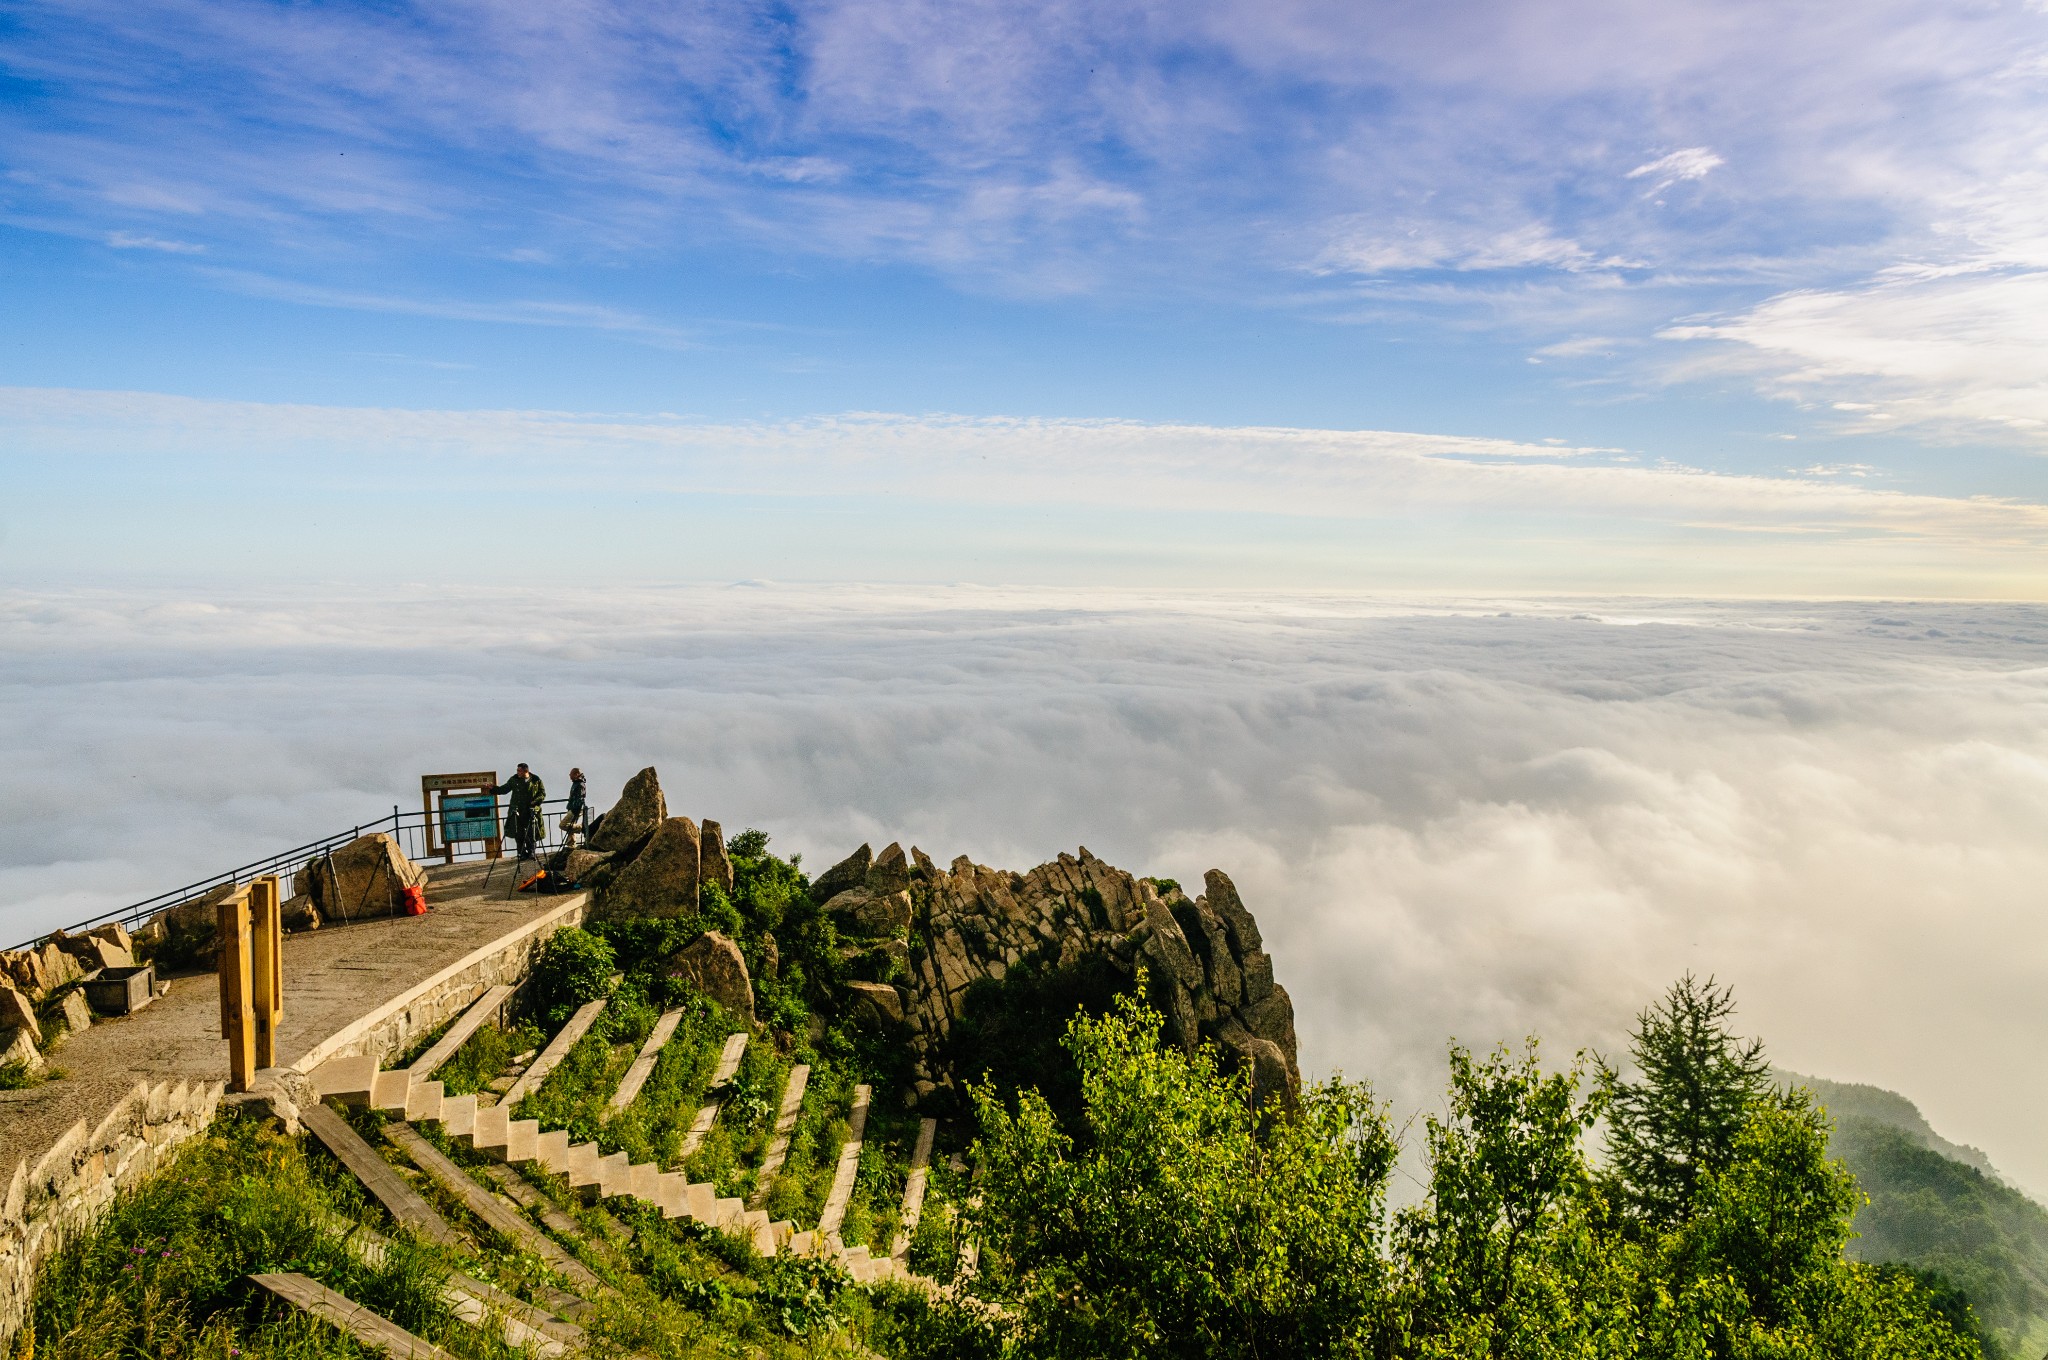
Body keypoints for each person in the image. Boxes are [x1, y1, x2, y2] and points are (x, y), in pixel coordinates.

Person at [492, 763, 546, 861]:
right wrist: (493, 789)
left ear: (526, 771)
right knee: (518, 833)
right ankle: (521, 853)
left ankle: (531, 852)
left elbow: (542, 794)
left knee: (531, 832)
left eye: (519, 771)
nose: (517, 773)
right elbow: (504, 789)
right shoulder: (514, 780)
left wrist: (534, 803)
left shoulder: (536, 780)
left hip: (531, 810)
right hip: (517, 811)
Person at [565, 767, 588, 836]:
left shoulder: (580, 784)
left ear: (576, 774)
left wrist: (575, 809)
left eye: (571, 774)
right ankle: (571, 844)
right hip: (573, 808)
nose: (570, 776)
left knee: (563, 825)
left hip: (575, 809)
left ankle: (582, 828)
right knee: (571, 826)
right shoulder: (576, 783)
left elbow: (580, 798)